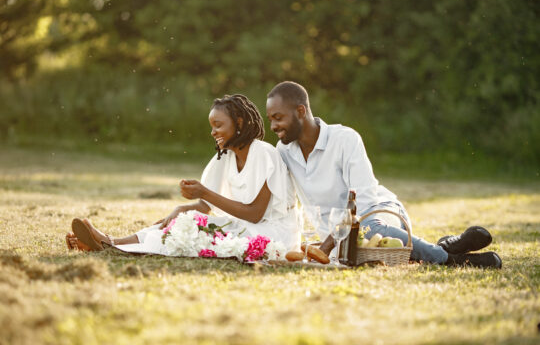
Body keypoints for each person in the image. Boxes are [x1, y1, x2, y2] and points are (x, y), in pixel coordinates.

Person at [265, 81, 501, 268]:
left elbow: (365, 203)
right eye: (271, 119)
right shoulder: (283, 151)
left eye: (278, 118)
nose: (274, 126)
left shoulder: (345, 139)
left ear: (300, 111)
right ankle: (448, 246)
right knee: (358, 252)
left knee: (369, 231)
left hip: (377, 214)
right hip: (338, 239)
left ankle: (450, 259)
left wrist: (328, 245)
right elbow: (283, 203)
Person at [66, 94, 299, 254]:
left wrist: (204, 192)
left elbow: (256, 214)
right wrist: (180, 209)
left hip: (272, 234)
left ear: (239, 122)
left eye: (218, 125)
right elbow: (205, 206)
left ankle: (109, 243)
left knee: (192, 228)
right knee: (182, 220)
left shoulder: (264, 154)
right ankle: (110, 242)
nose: (213, 132)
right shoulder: (226, 156)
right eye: (211, 126)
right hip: (243, 226)